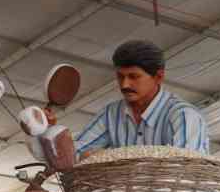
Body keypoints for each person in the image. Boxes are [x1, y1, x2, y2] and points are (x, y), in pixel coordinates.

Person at [54, 40, 209, 159]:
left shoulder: (184, 116)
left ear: (159, 77)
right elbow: (72, 155)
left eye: (134, 77)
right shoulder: (111, 114)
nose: (125, 84)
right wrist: (50, 132)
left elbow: (188, 168)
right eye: (120, 76)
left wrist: (106, 161)